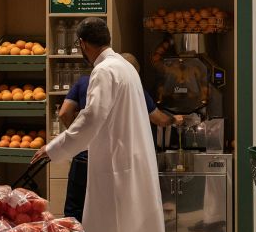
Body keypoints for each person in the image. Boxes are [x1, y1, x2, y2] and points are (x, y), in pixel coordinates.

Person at [31, 18, 172, 232]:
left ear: (83, 44)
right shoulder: (126, 68)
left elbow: (91, 119)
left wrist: (54, 148)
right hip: (137, 162)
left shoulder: (103, 71)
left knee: (108, 231)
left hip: (114, 166)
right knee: (141, 231)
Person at [60, 53, 182, 223]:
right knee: (108, 214)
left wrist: (80, 139)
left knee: (74, 212)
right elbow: (158, 119)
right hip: (110, 159)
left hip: (82, 157)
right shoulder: (132, 86)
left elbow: (64, 112)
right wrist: (175, 119)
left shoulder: (83, 82)